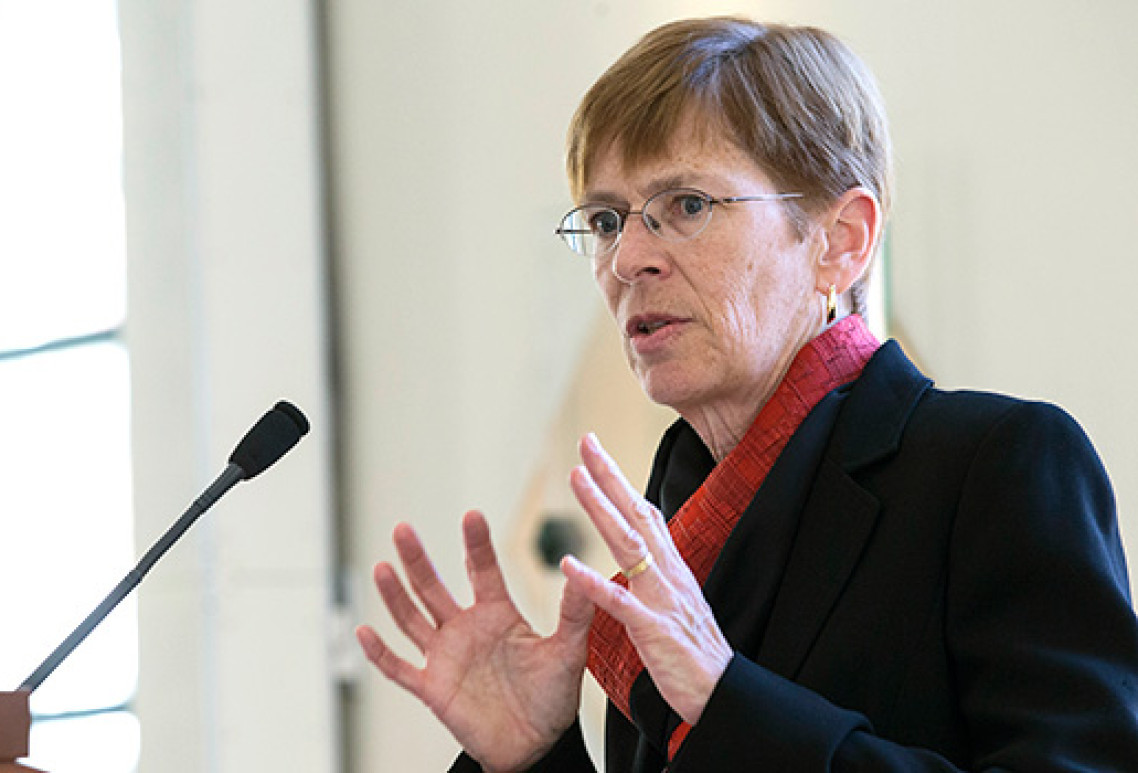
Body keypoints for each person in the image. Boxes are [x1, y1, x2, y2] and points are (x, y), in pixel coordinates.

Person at [356, 16, 1138, 772]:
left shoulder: (995, 467)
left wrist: (730, 702)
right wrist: (533, 756)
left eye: (687, 205)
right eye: (604, 218)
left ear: (840, 240)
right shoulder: (675, 513)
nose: (628, 257)